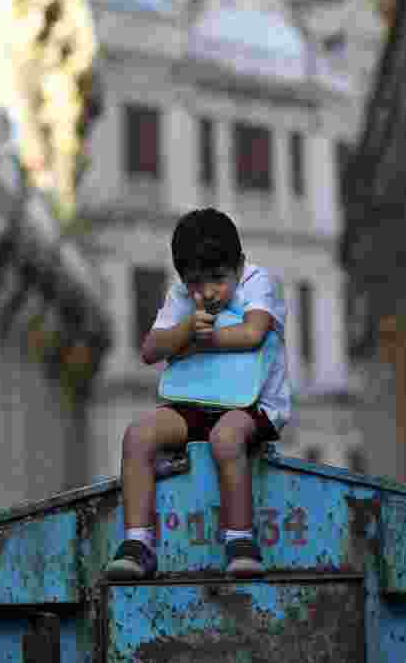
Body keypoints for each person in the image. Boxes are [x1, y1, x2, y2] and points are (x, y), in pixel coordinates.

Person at [104, 208, 291, 579]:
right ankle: (138, 542)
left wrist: (202, 342)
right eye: (195, 283)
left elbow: (253, 333)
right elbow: (150, 349)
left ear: (238, 266)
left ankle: (240, 539)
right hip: (195, 404)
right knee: (138, 436)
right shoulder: (181, 298)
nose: (207, 293)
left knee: (226, 438)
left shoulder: (258, 283)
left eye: (219, 279)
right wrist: (185, 329)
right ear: (181, 278)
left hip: (252, 406)